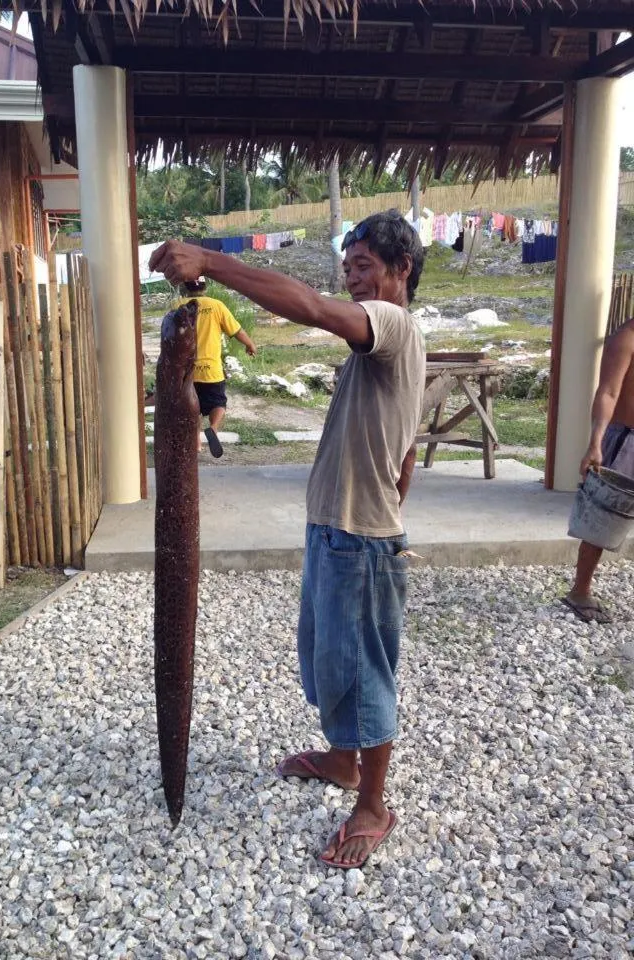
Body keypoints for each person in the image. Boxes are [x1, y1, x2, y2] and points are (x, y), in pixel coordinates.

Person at [150, 210, 425, 870]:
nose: (351, 278)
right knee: (328, 660)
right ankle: (340, 760)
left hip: (360, 539)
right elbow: (406, 448)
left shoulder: (393, 325)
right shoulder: (377, 350)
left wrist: (212, 263)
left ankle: (373, 807)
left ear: (400, 272)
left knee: (363, 675)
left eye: (363, 267)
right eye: (348, 266)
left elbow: (307, 307)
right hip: (337, 529)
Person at [563, 318, 634, 623]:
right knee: (604, 517)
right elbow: (607, 392)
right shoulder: (626, 338)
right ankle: (580, 590)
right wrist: (596, 441)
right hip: (626, 439)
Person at [177, 278, 257, 458]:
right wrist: (250, 345)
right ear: (205, 287)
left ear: (185, 287)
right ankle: (213, 428)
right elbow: (237, 330)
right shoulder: (216, 306)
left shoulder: (178, 306)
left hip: (186, 371)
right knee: (219, 403)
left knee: (192, 408)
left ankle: (196, 443)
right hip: (211, 370)